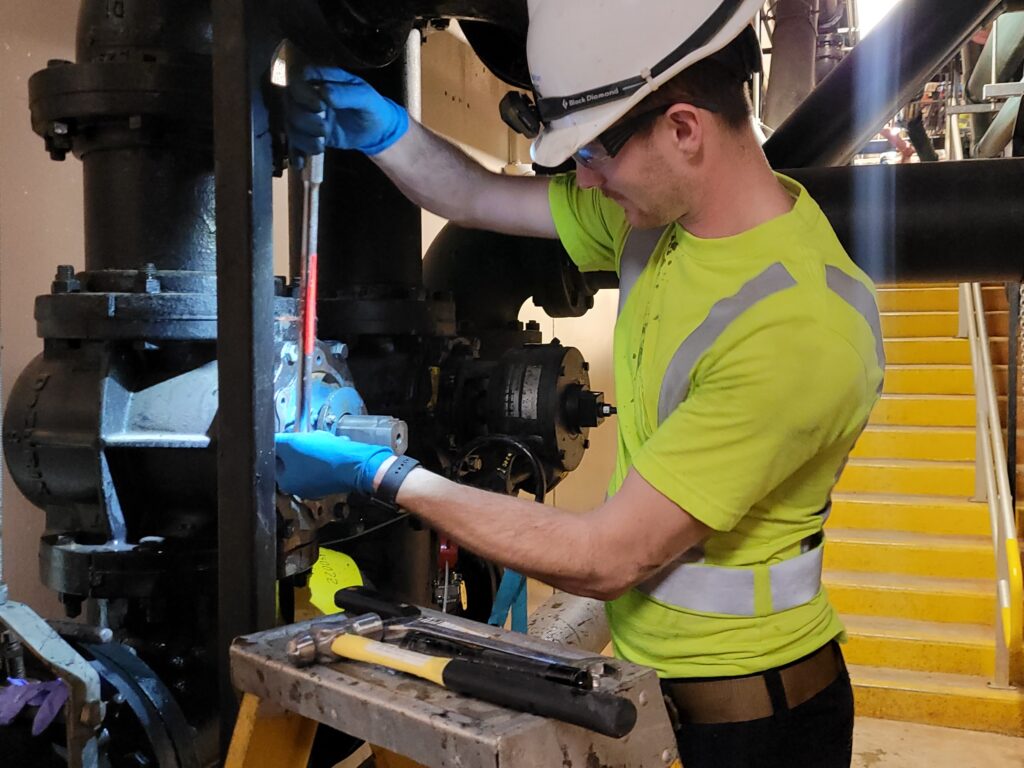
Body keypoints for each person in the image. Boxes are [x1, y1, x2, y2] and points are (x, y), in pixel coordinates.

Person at [276, 2, 884, 765]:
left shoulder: (800, 327)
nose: (586, 177)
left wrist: (385, 475)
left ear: (684, 129)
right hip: (655, 688)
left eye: (593, 153)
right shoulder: (665, 220)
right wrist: (386, 132)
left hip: (754, 724)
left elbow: (607, 557)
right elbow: (477, 198)